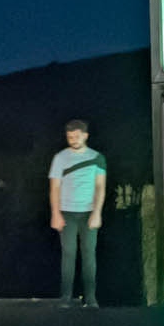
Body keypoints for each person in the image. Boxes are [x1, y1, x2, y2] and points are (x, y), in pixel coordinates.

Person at [48, 119, 108, 307]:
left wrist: (97, 213)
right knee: (68, 254)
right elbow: (54, 187)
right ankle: (66, 296)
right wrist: (55, 214)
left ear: (85, 136)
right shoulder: (60, 158)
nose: (73, 140)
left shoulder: (97, 158)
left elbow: (100, 187)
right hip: (67, 212)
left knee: (89, 254)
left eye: (76, 136)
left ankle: (90, 297)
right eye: (70, 137)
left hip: (88, 212)